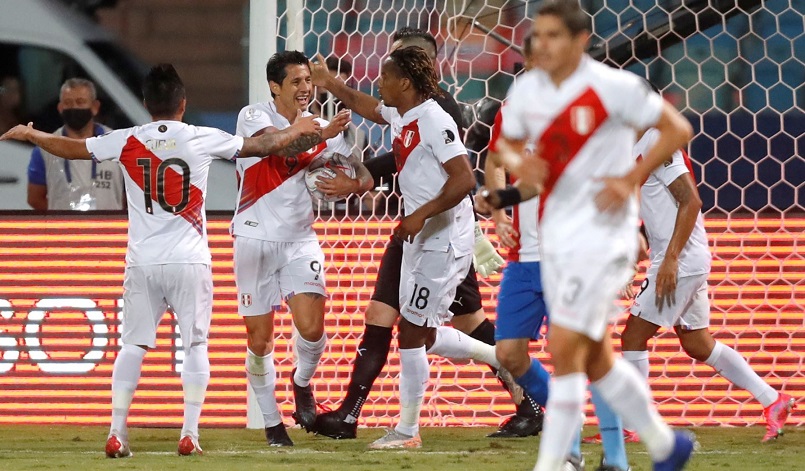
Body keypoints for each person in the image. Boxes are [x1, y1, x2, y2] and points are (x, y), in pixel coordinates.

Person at [0, 63, 323, 458]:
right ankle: (189, 432)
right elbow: (262, 146)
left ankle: (117, 431)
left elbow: (73, 149)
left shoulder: (126, 139)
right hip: (189, 259)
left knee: (132, 346)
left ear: (145, 104)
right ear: (182, 104)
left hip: (143, 261)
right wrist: (300, 130)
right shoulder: (202, 136)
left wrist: (33, 134)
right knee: (196, 344)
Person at [308, 29, 543, 443]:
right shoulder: (404, 113)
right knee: (424, 332)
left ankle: (407, 430)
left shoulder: (435, 120)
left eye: (385, 76)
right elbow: (368, 106)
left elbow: (463, 178)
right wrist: (330, 83)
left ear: (405, 82)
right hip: (421, 238)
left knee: (413, 334)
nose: (378, 83)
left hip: (442, 240)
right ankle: (504, 360)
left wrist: (418, 214)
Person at [496, 1, 697, 469]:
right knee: (595, 358)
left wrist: (630, 179)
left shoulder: (615, 88)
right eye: (538, 35)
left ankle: (556, 462)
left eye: (554, 35)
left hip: (606, 237)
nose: (542, 44)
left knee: (565, 350)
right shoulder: (527, 92)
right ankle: (665, 445)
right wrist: (516, 167)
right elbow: (506, 147)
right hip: (558, 238)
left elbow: (677, 128)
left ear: (581, 41)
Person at [623, 120, 795, 443]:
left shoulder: (657, 140)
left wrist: (671, 258)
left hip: (680, 259)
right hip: (683, 257)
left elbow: (691, 201)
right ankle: (773, 400)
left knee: (633, 336)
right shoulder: (634, 145)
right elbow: (657, 208)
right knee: (697, 343)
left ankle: (635, 424)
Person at [233, 50, 372, 447]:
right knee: (260, 340)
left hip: (299, 239)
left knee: (312, 328)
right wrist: (321, 136)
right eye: (296, 81)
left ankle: (302, 382)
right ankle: (273, 424)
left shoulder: (324, 127)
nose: (305, 88)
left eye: (308, 80)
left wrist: (352, 184)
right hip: (254, 237)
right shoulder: (253, 116)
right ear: (275, 87)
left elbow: (361, 172)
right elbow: (276, 147)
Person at [26, 78, 125, 211]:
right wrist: (61, 218)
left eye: (80, 102)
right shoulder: (44, 149)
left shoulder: (117, 144)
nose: (74, 107)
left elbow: (130, 195)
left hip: (107, 224)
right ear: (60, 108)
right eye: (68, 103)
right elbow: (35, 198)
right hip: (64, 225)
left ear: (95, 107)